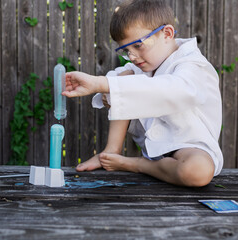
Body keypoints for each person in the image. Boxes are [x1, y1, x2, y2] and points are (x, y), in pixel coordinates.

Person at [62, 0, 223, 187]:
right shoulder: (143, 65)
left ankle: (138, 164)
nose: (132, 56)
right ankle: (111, 151)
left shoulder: (193, 65)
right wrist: (112, 89)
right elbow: (116, 85)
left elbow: (175, 90)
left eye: (137, 46)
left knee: (197, 171)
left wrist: (104, 84)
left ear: (167, 33)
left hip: (189, 146)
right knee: (124, 77)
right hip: (157, 148)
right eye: (126, 50)